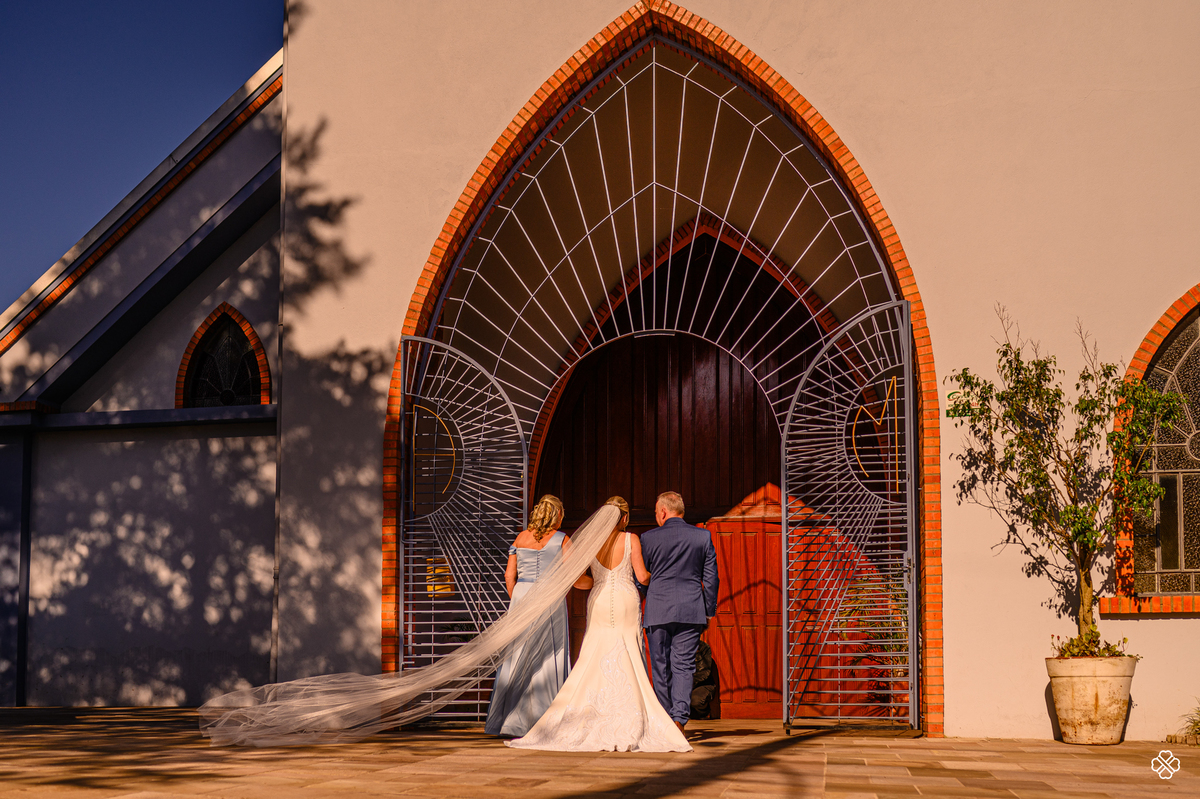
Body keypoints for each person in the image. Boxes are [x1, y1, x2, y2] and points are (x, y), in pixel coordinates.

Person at [506, 497, 691, 752]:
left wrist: (594, 583)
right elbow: (642, 576)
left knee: (593, 653)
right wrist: (659, 577)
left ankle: (585, 714)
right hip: (625, 598)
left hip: (599, 598)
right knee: (628, 651)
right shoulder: (631, 540)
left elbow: (577, 576)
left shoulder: (591, 543)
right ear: (624, 518)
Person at [485, 494, 572, 737]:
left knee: (518, 654)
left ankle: (510, 720)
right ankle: (547, 721)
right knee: (548, 654)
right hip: (549, 598)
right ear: (557, 515)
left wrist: (519, 601)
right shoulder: (562, 539)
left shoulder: (520, 538)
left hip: (522, 597)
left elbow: (508, 576)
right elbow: (571, 572)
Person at [640, 491, 719, 736]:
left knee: (660, 665)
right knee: (684, 666)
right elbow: (712, 578)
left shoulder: (648, 538)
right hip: (690, 609)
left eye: (656, 512)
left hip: (658, 609)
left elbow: (641, 577)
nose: (656, 516)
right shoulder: (703, 537)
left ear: (663, 511)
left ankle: (665, 718)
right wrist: (707, 609)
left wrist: (644, 599)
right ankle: (679, 720)